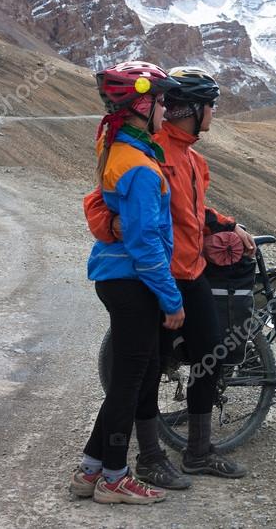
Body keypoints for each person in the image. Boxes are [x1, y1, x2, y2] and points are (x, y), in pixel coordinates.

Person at [84, 66, 254, 487]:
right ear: (194, 110)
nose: (214, 113)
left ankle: (198, 451)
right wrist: (114, 227)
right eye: (211, 105)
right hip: (157, 275)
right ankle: (149, 456)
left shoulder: (194, 159)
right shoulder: (150, 150)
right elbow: (98, 202)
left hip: (189, 272)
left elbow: (194, 213)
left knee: (210, 354)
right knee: (149, 367)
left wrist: (229, 226)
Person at [71, 61, 183, 505]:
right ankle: (114, 479)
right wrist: (172, 300)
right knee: (130, 381)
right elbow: (145, 246)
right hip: (133, 280)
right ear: (143, 105)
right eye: (162, 102)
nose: (167, 111)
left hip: (115, 276)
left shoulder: (114, 142)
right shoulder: (139, 166)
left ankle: (90, 469)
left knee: (134, 374)